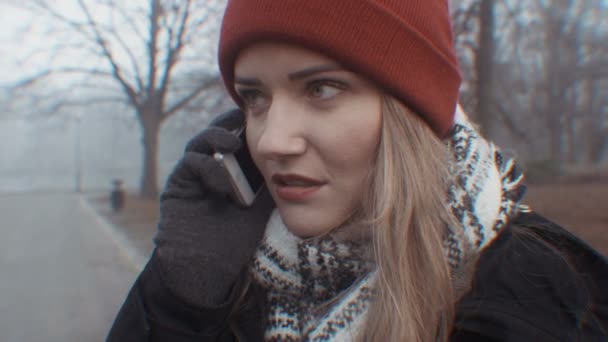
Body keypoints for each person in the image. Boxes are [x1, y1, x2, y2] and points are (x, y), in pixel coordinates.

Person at [107, 1, 608, 341]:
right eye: (254, 97)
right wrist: (179, 302)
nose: (273, 142)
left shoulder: (538, 298)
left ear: (407, 110)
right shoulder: (237, 276)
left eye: (321, 89)